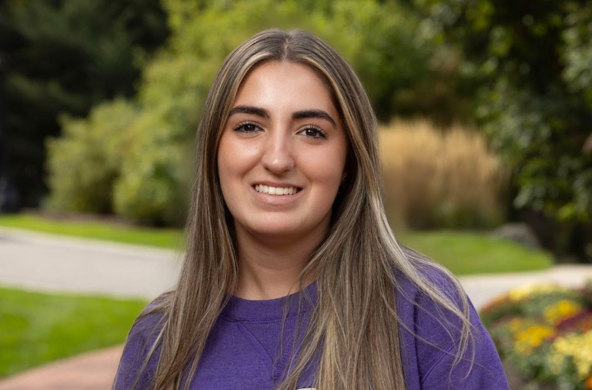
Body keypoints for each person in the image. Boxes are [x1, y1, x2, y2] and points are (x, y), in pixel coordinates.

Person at [113, 29, 509, 390]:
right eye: (249, 126)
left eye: (311, 132)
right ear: (214, 151)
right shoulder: (160, 338)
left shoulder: (426, 313)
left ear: (349, 161)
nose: (279, 158)